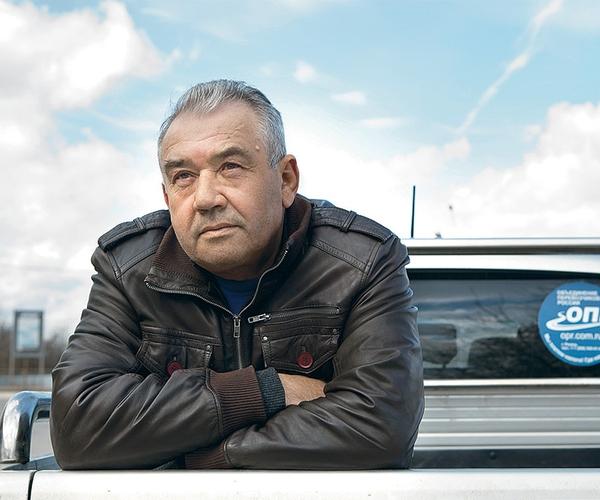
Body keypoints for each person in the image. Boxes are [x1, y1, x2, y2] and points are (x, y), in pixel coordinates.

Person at [50, 79, 424, 470]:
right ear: (166, 197)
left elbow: (381, 426)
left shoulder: (362, 261)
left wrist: (210, 457)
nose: (205, 198)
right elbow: (77, 426)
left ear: (286, 180)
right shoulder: (127, 270)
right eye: (183, 176)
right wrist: (266, 390)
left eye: (230, 167)